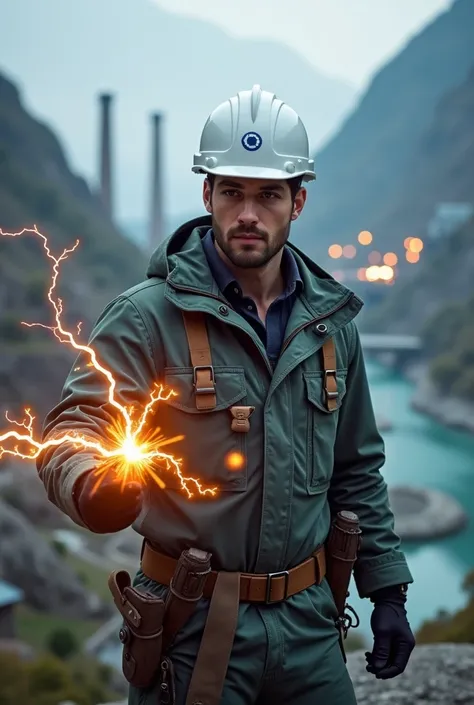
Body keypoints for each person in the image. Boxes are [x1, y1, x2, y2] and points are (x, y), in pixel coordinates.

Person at [37, 84, 415, 704]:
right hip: (190, 627)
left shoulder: (330, 326)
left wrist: (389, 591)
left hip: (311, 630)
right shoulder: (146, 318)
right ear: (207, 194)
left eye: (268, 195)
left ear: (298, 202)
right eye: (233, 192)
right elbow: (75, 426)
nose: (249, 213)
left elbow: (357, 468)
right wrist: (89, 480)